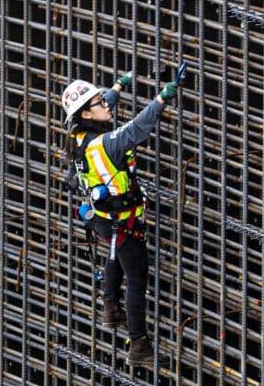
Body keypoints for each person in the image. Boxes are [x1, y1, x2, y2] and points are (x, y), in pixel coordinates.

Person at [62, 71, 178, 366]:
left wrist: (118, 86)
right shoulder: (105, 144)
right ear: (87, 112)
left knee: (115, 256)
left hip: (102, 221)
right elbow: (137, 129)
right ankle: (139, 346)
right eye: (99, 102)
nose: (107, 104)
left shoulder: (78, 135)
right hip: (122, 222)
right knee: (137, 281)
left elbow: (102, 103)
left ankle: (110, 306)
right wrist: (162, 98)